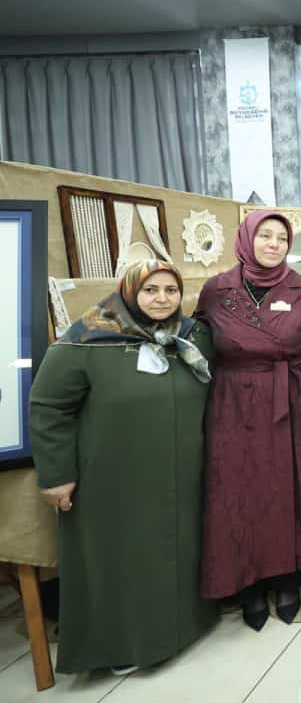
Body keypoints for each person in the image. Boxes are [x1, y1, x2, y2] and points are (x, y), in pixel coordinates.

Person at [29, 260, 218, 674]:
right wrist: (57, 475)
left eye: (170, 290)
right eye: (150, 290)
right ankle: (122, 647)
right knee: (125, 561)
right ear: (128, 291)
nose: (162, 299)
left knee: (177, 551)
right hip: (114, 480)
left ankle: (182, 630)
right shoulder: (86, 340)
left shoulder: (190, 337)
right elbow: (48, 408)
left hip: (182, 476)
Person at [194, 211, 301, 630]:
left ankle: (287, 579)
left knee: (291, 489)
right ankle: (248, 585)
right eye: (265, 235)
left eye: (281, 238)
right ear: (246, 238)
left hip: (288, 399)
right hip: (231, 403)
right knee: (238, 491)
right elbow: (198, 347)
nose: (274, 244)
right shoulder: (217, 289)